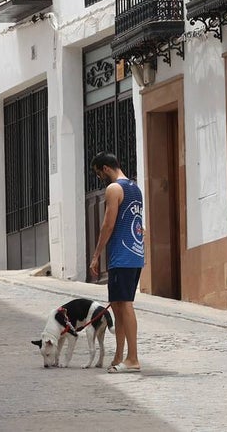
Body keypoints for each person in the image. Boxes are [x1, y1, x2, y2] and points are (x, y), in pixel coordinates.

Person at [88, 152, 145, 373]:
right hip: (134, 253)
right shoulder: (135, 188)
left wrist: (96, 255)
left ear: (105, 168)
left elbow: (108, 225)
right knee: (120, 306)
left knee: (125, 305)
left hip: (121, 255)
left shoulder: (114, 189)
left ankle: (132, 358)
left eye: (98, 173)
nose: (100, 178)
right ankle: (119, 356)